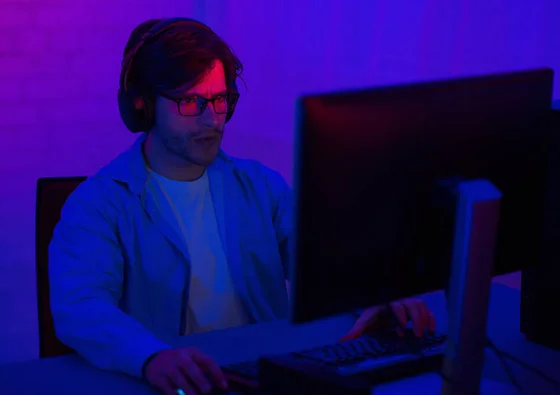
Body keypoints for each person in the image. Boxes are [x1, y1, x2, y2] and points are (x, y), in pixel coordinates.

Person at [48, 17, 436, 395]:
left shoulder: (261, 186)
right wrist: (151, 357)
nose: (212, 119)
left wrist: (377, 298)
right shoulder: (97, 205)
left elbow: (325, 265)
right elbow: (80, 306)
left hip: (267, 376)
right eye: (190, 102)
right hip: (178, 384)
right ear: (142, 105)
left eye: (219, 99)